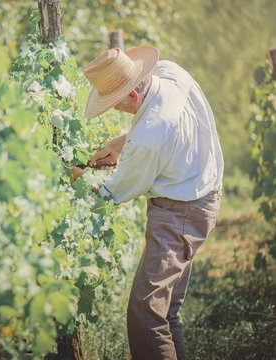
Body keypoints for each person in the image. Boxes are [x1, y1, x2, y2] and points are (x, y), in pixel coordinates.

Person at [71, 45, 224, 360]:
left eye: (115, 104)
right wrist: (119, 143)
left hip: (180, 213)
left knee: (144, 313)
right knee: (166, 313)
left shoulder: (149, 136)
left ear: (132, 96)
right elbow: (161, 120)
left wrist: (77, 178)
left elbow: (117, 191)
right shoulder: (171, 72)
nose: (114, 111)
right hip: (202, 195)